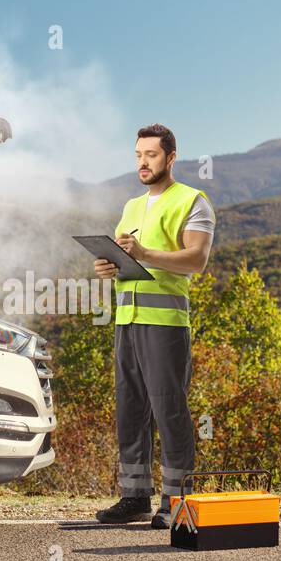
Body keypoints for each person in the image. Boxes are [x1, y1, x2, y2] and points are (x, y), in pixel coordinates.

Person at [93, 123, 215, 528]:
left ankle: (177, 503)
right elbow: (127, 263)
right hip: (126, 322)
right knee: (130, 413)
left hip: (164, 325)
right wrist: (108, 266)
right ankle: (134, 498)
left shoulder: (193, 201)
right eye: (138, 155)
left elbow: (195, 260)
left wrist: (144, 253)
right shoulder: (130, 207)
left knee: (170, 413)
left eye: (151, 155)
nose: (143, 163)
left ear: (171, 157)